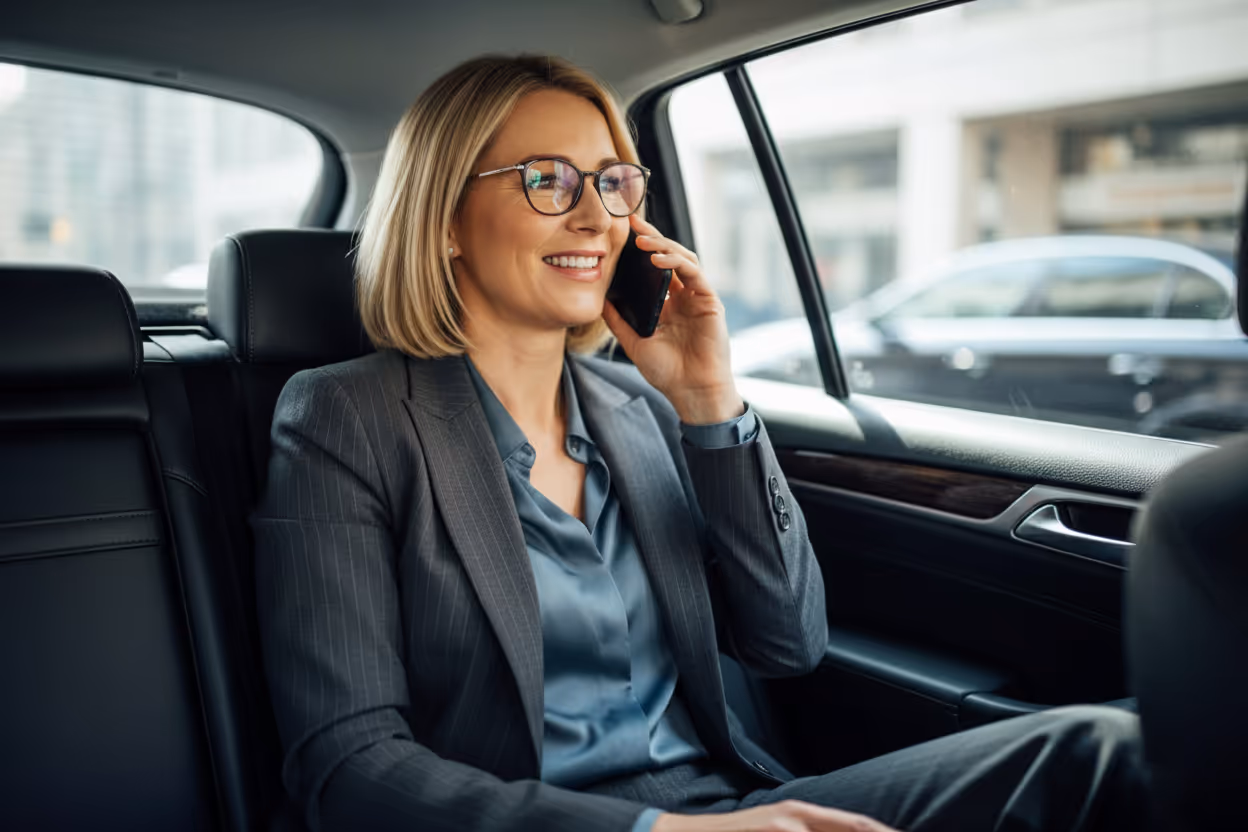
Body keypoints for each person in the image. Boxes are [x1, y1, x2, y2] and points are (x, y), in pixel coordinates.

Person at [253, 54, 1149, 832]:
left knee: (1105, 750)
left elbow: (787, 643)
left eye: (611, 182)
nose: (597, 218)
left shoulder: (633, 407)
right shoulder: (345, 418)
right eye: (548, 180)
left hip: (732, 804)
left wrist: (711, 403)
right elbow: (348, 766)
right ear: (444, 219)